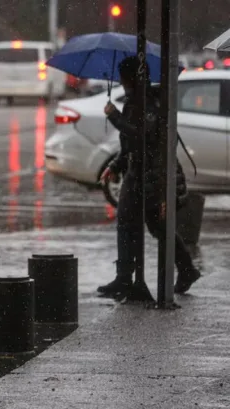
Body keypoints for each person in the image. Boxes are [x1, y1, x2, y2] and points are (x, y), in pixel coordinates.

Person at [97, 56, 200, 299]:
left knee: (153, 225)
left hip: (152, 173)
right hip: (138, 172)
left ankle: (181, 270)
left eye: (124, 77)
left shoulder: (146, 103)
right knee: (132, 223)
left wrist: (114, 117)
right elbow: (132, 145)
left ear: (131, 78)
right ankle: (128, 277)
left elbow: (143, 137)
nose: (121, 82)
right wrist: (116, 165)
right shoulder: (136, 101)